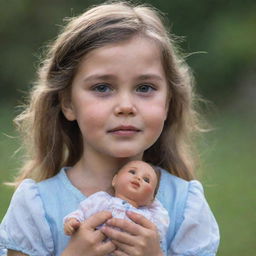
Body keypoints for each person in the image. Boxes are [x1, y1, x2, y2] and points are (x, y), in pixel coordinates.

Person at [0, 1, 220, 256]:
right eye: (102, 87)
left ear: (168, 102)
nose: (126, 106)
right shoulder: (36, 208)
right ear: (68, 103)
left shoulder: (186, 207)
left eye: (145, 88)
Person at [63, 160, 169, 254]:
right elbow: (82, 211)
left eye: (146, 180)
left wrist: (151, 201)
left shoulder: (149, 217)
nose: (138, 178)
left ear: (151, 199)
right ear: (115, 180)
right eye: (132, 172)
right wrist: (73, 221)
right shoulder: (102, 201)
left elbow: (157, 234)